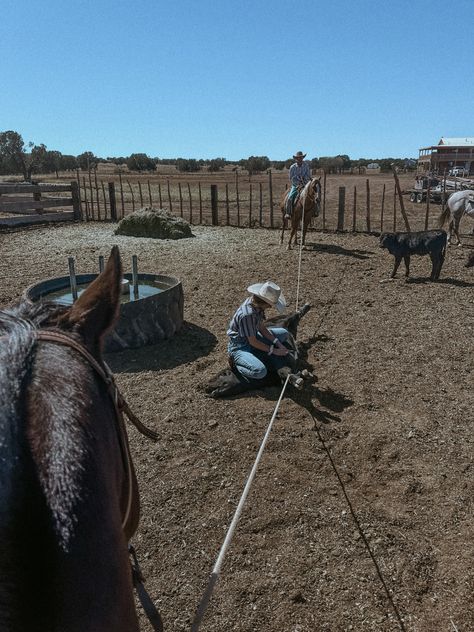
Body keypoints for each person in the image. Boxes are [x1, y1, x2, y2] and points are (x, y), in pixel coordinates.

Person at [227, 280, 293, 383]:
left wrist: (278, 343)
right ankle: (237, 364)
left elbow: (261, 328)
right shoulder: (247, 315)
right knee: (260, 372)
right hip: (240, 346)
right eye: (270, 304)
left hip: (252, 337)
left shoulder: (255, 305)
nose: (271, 306)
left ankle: (257, 352)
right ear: (264, 302)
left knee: (284, 333)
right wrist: (274, 350)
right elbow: (253, 342)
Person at [285, 151, 312, 220]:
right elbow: (291, 177)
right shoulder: (292, 167)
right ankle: (288, 213)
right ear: (296, 158)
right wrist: (297, 182)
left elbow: (308, 175)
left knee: (313, 196)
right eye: (298, 158)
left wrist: (304, 179)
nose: (300, 159)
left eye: (301, 157)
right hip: (296, 185)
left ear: (303, 158)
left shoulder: (306, 166)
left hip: (305, 184)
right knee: (290, 197)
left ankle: (315, 211)